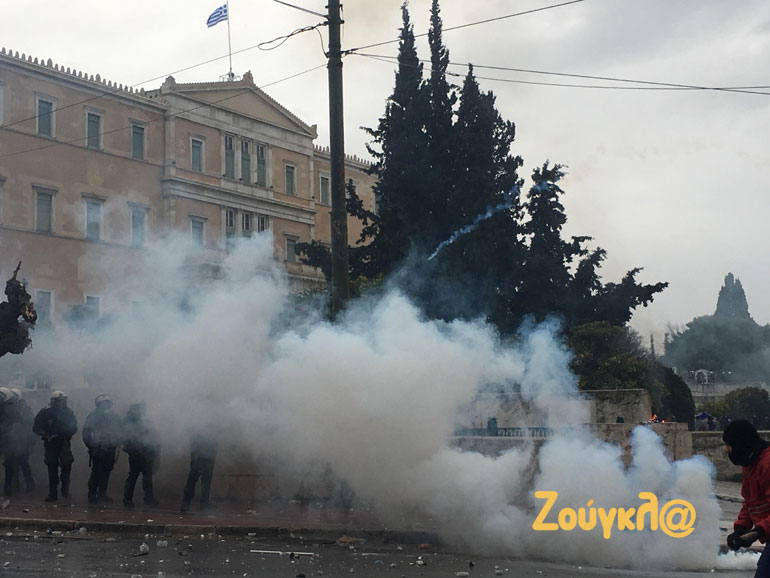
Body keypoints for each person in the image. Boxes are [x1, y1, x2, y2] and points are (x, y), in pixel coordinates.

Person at [724, 419, 770, 577]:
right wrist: (741, 528)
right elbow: (750, 502)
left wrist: (758, 531)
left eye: (729, 445)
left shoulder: (767, 464)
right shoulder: (750, 464)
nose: (727, 450)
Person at [33, 390, 78, 502]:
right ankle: (53, 493)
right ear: (53, 401)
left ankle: (65, 490)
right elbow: (36, 427)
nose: (61, 403)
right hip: (50, 444)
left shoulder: (68, 412)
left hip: (64, 443)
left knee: (66, 466)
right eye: (58, 401)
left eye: (63, 401)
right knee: (52, 468)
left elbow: (74, 426)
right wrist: (47, 435)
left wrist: (66, 435)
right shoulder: (45, 412)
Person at [82, 393, 122, 504]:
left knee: (106, 471)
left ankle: (102, 494)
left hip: (110, 447)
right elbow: (86, 433)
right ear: (98, 405)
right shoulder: (93, 416)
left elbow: (121, 428)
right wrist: (91, 446)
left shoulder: (114, 416)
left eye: (108, 403)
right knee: (97, 472)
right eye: (104, 403)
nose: (106, 405)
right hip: (98, 448)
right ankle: (92, 494)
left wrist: (117, 441)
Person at [121, 401, 160, 509]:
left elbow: (151, 434)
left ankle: (147, 498)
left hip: (146, 452)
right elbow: (125, 438)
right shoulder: (129, 421)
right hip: (136, 453)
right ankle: (128, 500)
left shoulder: (142, 420)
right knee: (134, 476)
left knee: (146, 477)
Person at [2, 388, 35, 496]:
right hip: (10, 440)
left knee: (21, 463)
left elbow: (28, 424)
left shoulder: (21, 408)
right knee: (12, 464)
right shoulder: (8, 407)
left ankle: (27, 485)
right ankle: (13, 486)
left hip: (20, 440)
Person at [181, 424, 218, 513]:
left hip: (202, 450)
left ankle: (194, 502)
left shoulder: (197, 420)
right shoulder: (203, 421)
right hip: (202, 450)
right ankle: (189, 503)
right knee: (196, 477)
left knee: (200, 477)